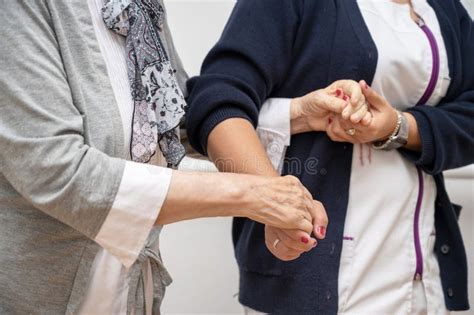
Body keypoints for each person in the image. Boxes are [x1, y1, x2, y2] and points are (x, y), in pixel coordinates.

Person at [0, 1, 335, 314]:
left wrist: (298, 114)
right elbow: (56, 171)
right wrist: (254, 196)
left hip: (131, 297)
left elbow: (177, 124)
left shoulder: (142, 6)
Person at [186, 0, 474, 313]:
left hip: (423, 276)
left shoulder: (445, 10)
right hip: (317, 274)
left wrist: (397, 126)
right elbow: (217, 104)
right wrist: (272, 199)